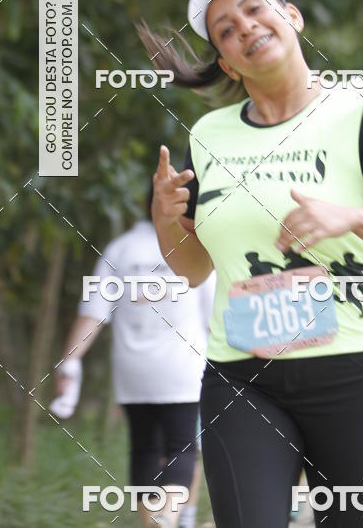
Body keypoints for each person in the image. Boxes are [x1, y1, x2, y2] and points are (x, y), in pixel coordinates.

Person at [139, 0, 363, 528]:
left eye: (254, 9)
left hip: (356, 374)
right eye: (225, 31)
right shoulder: (208, 137)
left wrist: (352, 218)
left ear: (291, 17)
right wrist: (166, 220)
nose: (244, 28)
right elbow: (191, 270)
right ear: (227, 64)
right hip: (242, 375)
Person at [53, 192, 216, 528]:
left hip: (132, 370)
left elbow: (93, 315)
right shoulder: (194, 250)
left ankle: (154, 521)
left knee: (143, 449)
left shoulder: (120, 249)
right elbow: (214, 318)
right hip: (183, 368)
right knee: (182, 448)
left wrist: (69, 362)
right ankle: (168, 519)